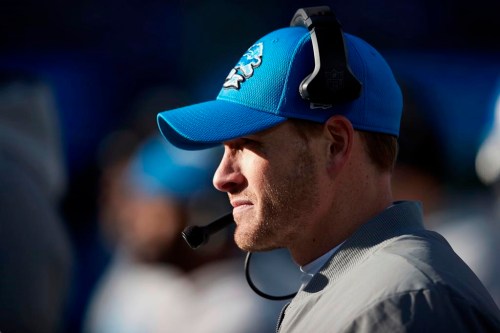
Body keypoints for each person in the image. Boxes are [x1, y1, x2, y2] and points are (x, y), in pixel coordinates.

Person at [155, 6, 500, 332]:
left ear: (335, 145)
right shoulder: (377, 290)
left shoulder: (397, 301)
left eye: (248, 145)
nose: (221, 177)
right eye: (226, 149)